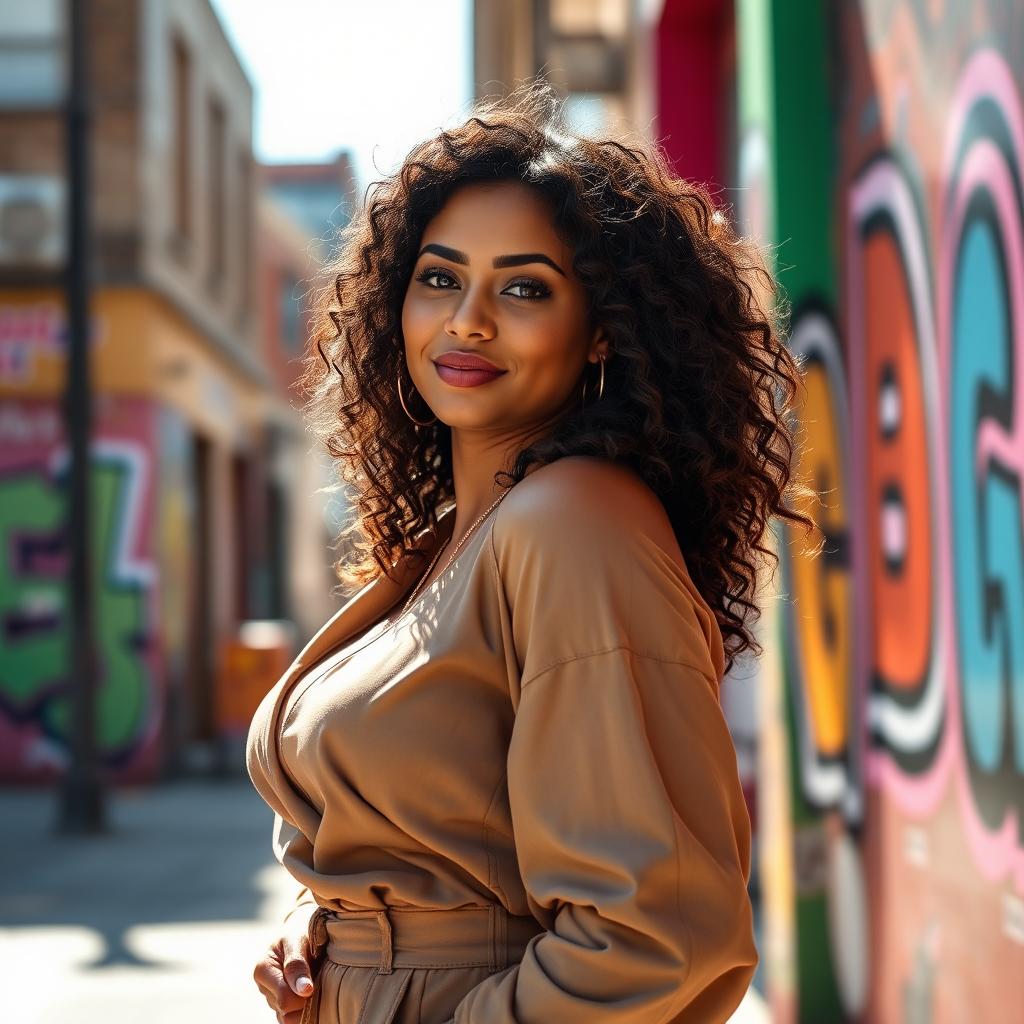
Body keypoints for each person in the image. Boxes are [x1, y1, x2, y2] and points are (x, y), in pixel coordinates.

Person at [246, 80, 815, 1024]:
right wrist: (332, 944)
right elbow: (454, 859)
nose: (468, 319)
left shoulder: (572, 519)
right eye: (439, 277)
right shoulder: (458, 540)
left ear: (599, 332)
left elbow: (652, 933)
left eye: (523, 287)